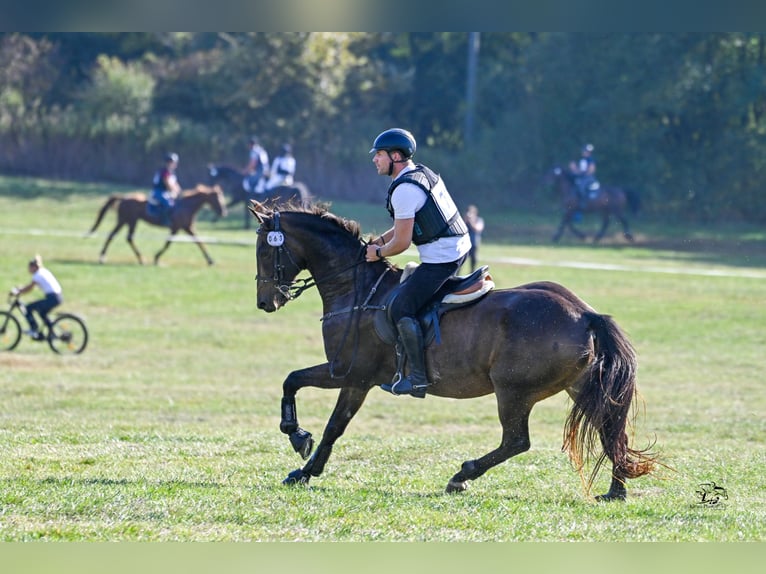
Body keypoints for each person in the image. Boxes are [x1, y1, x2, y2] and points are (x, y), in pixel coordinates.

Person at [366, 128, 471, 398]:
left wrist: (377, 254)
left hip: (443, 258)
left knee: (401, 307)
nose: (375, 160)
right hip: (456, 248)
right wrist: (378, 241)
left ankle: (418, 378)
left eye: (379, 155)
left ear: (396, 156)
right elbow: (401, 227)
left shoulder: (404, 190)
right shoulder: (421, 173)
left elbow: (401, 243)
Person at [9, 255, 63, 341]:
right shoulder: (43, 271)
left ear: (34, 267)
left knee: (28, 308)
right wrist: (21, 289)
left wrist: (18, 292)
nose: (28, 270)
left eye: (29, 267)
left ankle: (34, 329)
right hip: (57, 297)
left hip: (52, 298)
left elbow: (29, 288)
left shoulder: (38, 275)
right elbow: (31, 286)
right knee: (42, 313)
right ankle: (51, 333)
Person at [150, 152, 182, 226]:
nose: (175, 164)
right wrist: (175, 192)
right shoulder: (164, 171)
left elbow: (175, 184)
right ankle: (164, 220)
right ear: (169, 163)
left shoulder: (171, 172)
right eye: (173, 162)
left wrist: (180, 191)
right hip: (159, 191)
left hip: (166, 192)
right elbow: (167, 183)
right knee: (168, 204)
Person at [568, 143, 599, 213]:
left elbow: (591, 170)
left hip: (588, 178)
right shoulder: (582, 160)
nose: (583, 152)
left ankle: (583, 203)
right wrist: (574, 169)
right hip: (582, 177)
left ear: (588, 152)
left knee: (581, 187)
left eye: (584, 151)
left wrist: (581, 174)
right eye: (583, 151)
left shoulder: (591, 160)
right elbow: (579, 169)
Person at [464, 204, 485, 272]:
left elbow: (477, 229)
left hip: (474, 243)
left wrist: (471, 221)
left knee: (473, 260)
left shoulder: (479, 220)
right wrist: (466, 220)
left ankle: (472, 273)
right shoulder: (465, 220)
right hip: (464, 243)